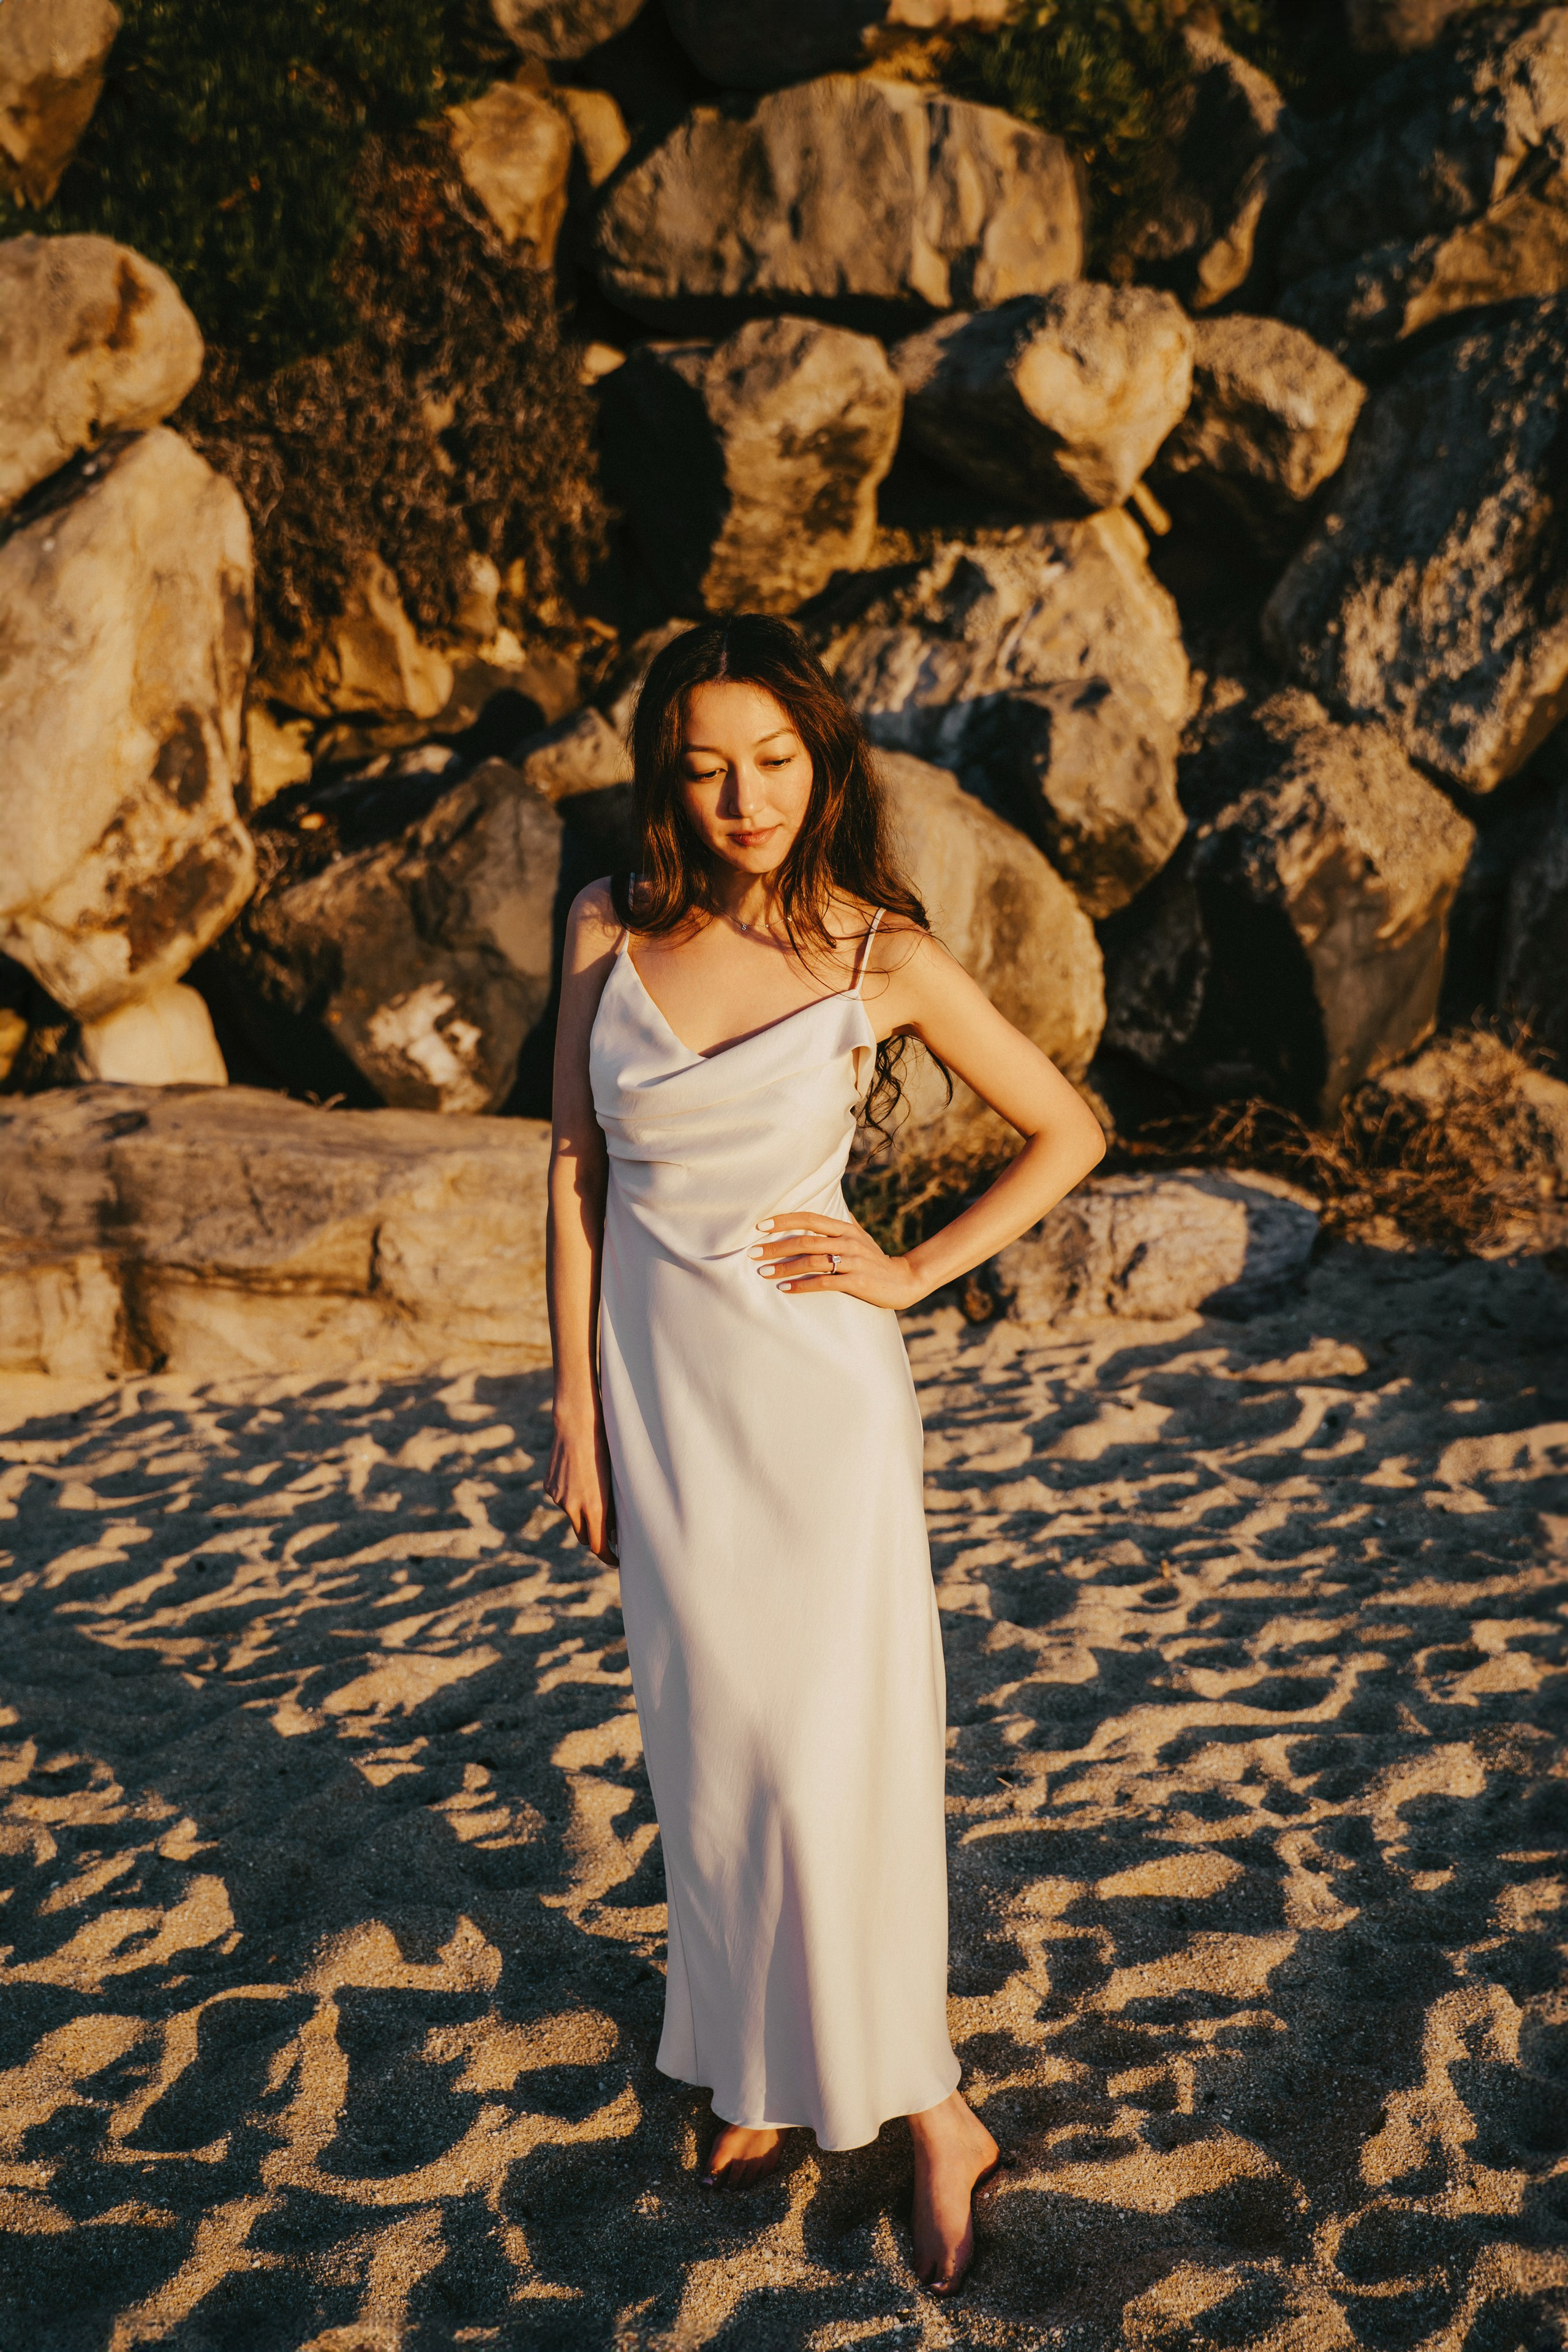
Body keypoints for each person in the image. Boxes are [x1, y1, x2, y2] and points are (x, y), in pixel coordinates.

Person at [545, 614, 1106, 2294]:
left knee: (835, 1756)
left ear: (822, 761)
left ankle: (931, 2109)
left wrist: (912, 1270)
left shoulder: (881, 955)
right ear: (667, 772)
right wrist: (573, 1408)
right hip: (659, 1394)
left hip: (819, 1398)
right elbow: (575, 1170)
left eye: (775, 761)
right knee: (712, 1750)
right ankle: (759, 2068)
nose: (744, 797)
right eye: (708, 766)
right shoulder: (603, 925)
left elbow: (1069, 1128)